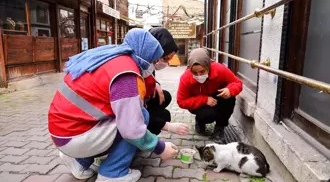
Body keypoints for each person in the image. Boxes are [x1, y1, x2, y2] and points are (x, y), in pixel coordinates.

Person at [48, 28, 178, 182]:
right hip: (74, 135)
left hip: (61, 132)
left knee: (128, 116)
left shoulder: (111, 56)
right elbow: (131, 128)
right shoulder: (127, 74)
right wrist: (160, 148)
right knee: (140, 116)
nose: (154, 65)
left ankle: (80, 161)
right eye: (154, 60)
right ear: (146, 56)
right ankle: (112, 173)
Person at [177, 48, 243, 144]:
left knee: (229, 99)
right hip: (199, 103)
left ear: (208, 66)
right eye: (194, 73)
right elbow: (181, 101)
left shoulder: (219, 69)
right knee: (208, 115)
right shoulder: (185, 78)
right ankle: (200, 121)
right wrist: (204, 99)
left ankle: (219, 129)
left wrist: (230, 90)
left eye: (202, 71)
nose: (199, 75)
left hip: (217, 97)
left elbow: (237, 82)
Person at [142, 27, 189, 136]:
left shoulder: (147, 63)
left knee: (165, 97)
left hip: (140, 102)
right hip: (125, 115)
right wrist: (165, 126)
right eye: (165, 58)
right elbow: (132, 112)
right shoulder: (133, 70)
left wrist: (156, 84)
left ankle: (149, 125)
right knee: (163, 116)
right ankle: (142, 137)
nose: (166, 64)